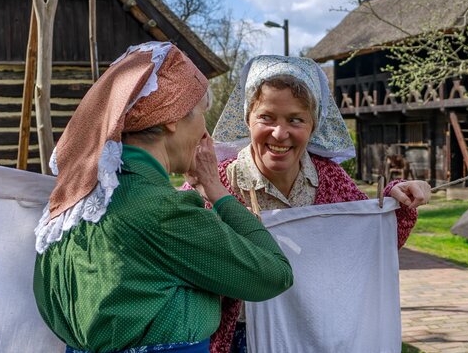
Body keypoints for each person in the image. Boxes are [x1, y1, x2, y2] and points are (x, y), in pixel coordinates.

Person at [32, 42, 294, 353]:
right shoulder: (162, 210)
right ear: (172, 117)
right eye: (200, 115)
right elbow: (273, 274)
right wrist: (217, 191)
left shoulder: (69, 204)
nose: (205, 132)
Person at [203, 55, 431, 352]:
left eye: (295, 120)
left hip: (315, 332)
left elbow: (366, 246)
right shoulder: (216, 183)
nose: (280, 133)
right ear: (247, 117)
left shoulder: (329, 178)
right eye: (266, 117)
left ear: (314, 125)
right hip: (240, 340)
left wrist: (395, 201)